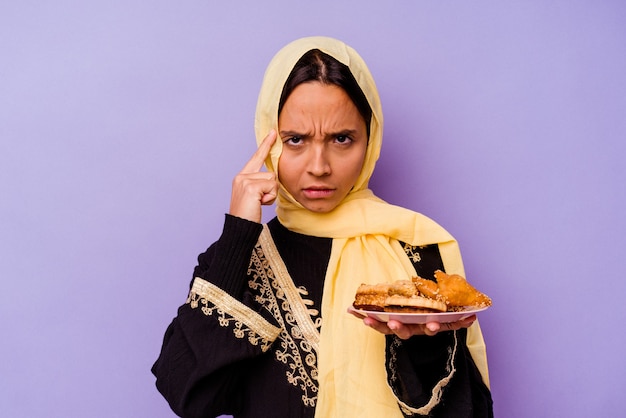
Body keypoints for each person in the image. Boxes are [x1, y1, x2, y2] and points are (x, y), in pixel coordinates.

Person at [152, 36, 493, 418]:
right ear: (269, 140)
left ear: (370, 140)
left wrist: (424, 348)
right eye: (295, 140)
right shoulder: (238, 260)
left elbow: (472, 410)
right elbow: (188, 396)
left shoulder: (419, 254)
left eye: (342, 139)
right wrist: (236, 235)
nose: (319, 166)